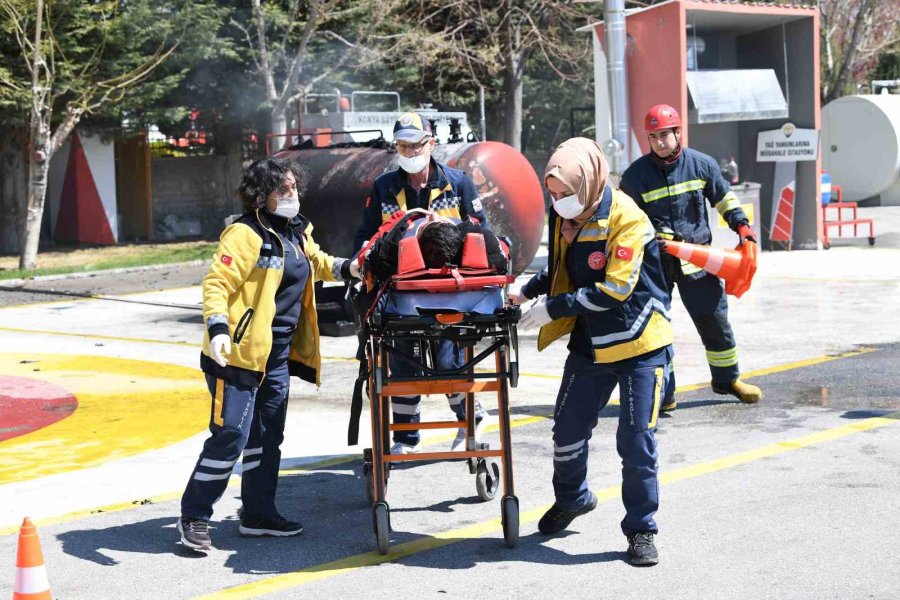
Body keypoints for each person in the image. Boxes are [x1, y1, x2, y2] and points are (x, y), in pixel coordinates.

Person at [177, 157, 359, 552]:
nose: (291, 194)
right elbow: (217, 283)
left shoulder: (295, 231)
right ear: (261, 196)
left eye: (293, 186)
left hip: (275, 357)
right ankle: (195, 515)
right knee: (230, 437)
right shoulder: (243, 234)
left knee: (266, 437)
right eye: (282, 189)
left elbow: (318, 262)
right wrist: (218, 328)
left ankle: (258, 514)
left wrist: (354, 268)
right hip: (238, 356)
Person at [509, 137, 672, 566]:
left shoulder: (627, 218)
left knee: (636, 442)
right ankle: (574, 498)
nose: (559, 202)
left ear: (590, 180)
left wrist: (553, 308)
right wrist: (525, 289)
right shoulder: (566, 216)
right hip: (591, 345)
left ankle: (641, 529)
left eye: (566, 194)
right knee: (566, 430)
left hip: (640, 343)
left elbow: (616, 289)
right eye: (554, 194)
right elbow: (560, 266)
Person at [352, 113, 492, 454]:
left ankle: (469, 417)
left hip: (448, 292)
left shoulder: (458, 183)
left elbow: (481, 234)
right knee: (402, 357)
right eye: (402, 145)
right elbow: (365, 236)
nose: (410, 151)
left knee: (449, 357)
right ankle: (405, 435)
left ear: (431, 143)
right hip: (400, 292)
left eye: (415, 144)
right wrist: (359, 262)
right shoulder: (383, 187)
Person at [619, 104, 763, 411]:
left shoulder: (702, 165)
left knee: (714, 320)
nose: (659, 142)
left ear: (678, 133)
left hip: (698, 261)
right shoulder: (635, 177)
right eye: (653, 136)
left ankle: (727, 380)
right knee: (656, 328)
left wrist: (743, 228)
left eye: (664, 135)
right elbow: (625, 220)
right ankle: (664, 394)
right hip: (655, 265)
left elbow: (724, 199)